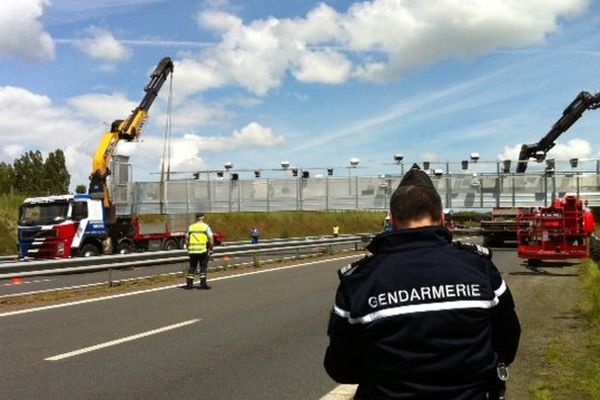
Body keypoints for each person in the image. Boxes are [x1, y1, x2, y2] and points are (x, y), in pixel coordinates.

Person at [324, 164, 521, 400]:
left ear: (393, 219)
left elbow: (340, 367)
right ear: (441, 219)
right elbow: (508, 342)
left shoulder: (359, 280)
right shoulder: (479, 267)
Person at [185, 213, 214, 290]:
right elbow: (211, 238)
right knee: (203, 267)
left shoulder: (191, 227)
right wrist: (211, 248)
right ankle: (203, 284)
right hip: (202, 250)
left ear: (196, 218)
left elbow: (186, 238)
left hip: (192, 250)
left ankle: (189, 284)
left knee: (192, 267)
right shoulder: (206, 227)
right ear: (203, 217)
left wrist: (188, 248)